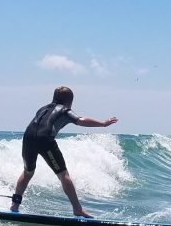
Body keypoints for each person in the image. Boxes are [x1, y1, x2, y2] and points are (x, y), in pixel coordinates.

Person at [10, 86, 117, 217]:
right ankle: (78, 209)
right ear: (70, 101)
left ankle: (14, 206)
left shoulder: (42, 108)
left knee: (28, 172)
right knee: (63, 175)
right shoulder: (65, 110)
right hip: (45, 140)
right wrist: (103, 123)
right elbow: (80, 120)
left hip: (28, 138)